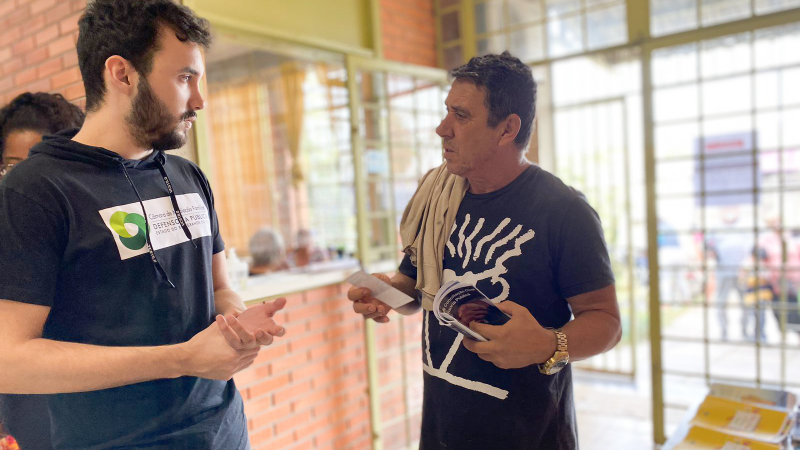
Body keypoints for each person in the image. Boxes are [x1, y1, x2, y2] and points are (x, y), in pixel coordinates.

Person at [0, 1, 286, 449]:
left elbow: (220, 287)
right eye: (184, 77)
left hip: (223, 431)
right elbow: (9, 360)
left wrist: (234, 324)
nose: (199, 100)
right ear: (123, 74)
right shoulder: (34, 192)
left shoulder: (189, 176)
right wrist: (182, 360)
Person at [347, 52, 621, 450]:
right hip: (442, 430)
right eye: (447, 112)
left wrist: (548, 344)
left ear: (507, 128)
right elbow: (415, 289)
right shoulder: (437, 194)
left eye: (461, 115)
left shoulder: (563, 211)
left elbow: (607, 321)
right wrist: (386, 292)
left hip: (531, 436)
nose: (443, 128)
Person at [0, 92, 85, 450]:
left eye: (31, 163)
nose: (20, 179)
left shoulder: (82, 227)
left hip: (81, 403)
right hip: (21, 409)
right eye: (9, 165)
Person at [706, 206, 752, 340]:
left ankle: (745, 329)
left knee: (747, 302)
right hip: (723, 270)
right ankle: (723, 330)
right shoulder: (714, 227)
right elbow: (708, 246)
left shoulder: (746, 224)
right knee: (721, 301)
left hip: (744, 272)